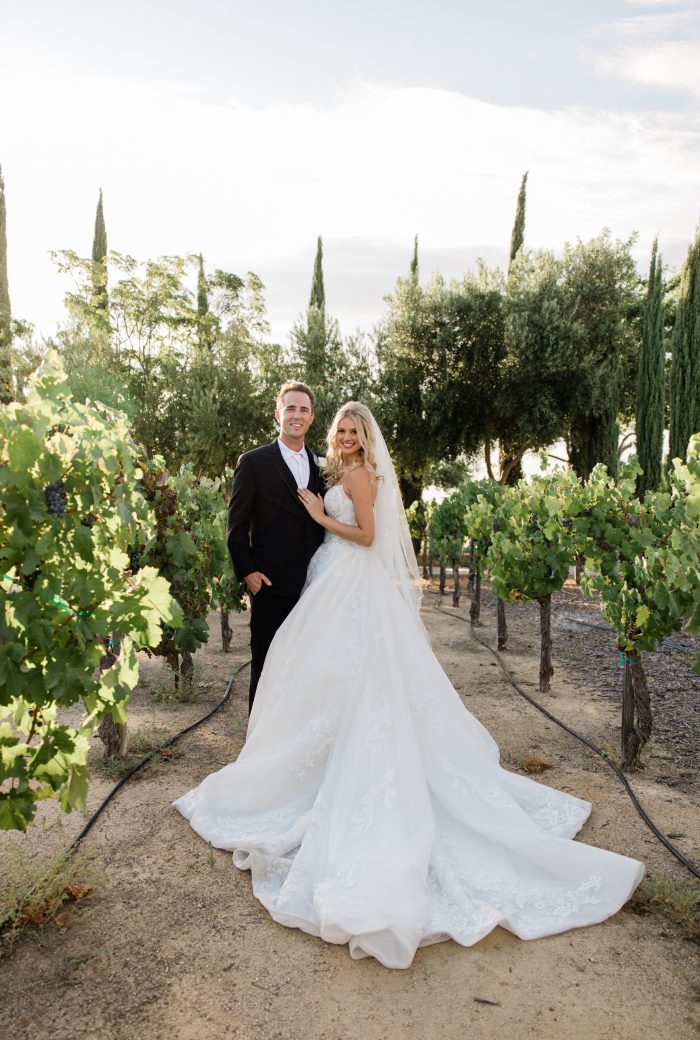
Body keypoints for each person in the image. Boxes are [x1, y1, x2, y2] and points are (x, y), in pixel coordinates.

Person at [174, 402, 645, 970]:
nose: (345, 437)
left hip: (348, 579)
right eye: (340, 431)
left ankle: (319, 767)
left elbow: (368, 537)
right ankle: (296, 759)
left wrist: (323, 518)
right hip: (324, 582)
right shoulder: (322, 469)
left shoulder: (357, 476)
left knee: (354, 680)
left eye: (353, 431)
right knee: (317, 678)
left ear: (364, 437)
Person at [226, 382, 326, 712]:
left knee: (309, 669)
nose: (296, 416)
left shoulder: (323, 465)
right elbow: (236, 525)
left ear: (311, 418)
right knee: (266, 666)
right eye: (290, 408)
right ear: (278, 414)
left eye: (303, 410)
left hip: (316, 585)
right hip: (269, 584)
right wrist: (248, 572)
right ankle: (258, 745)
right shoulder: (253, 462)